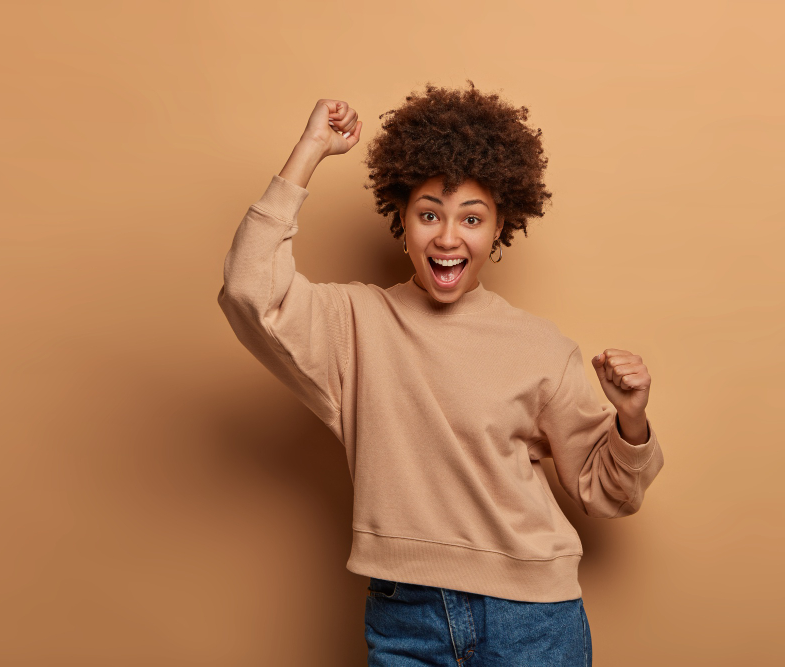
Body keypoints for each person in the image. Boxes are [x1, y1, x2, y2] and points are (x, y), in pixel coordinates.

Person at [216, 81, 663, 666]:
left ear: (499, 227)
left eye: (471, 219)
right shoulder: (354, 324)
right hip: (405, 618)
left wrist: (631, 419)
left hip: (532, 622)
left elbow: (604, 494)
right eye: (429, 215)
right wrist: (308, 152)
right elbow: (248, 289)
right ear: (401, 221)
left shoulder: (541, 348)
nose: (448, 237)